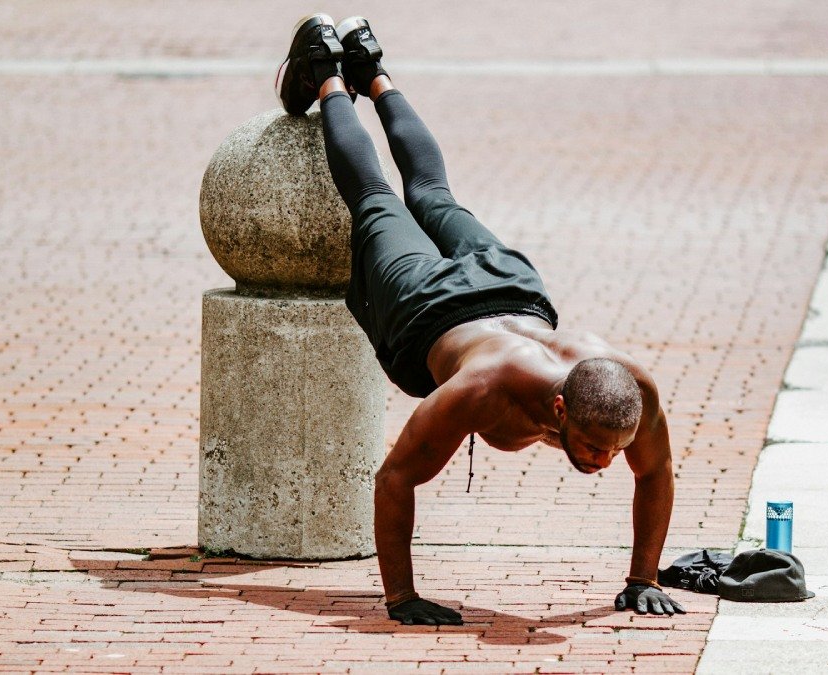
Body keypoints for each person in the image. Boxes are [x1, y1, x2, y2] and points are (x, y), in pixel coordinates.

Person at [276, 14, 685, 625]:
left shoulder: (632, 390)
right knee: (376, 198)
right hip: (426, 303)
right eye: (597, 450)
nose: (605, 463)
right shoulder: (479, 390)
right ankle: (329, 70)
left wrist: (642, 578)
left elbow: (655, 470)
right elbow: (393, 480)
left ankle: (374, 67)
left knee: (434, 195)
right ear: (560, 410)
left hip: (512, 287)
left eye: (612, 451)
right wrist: (401, 598)